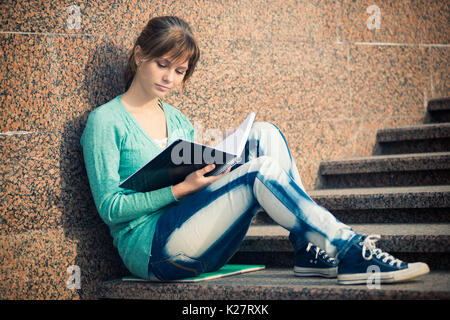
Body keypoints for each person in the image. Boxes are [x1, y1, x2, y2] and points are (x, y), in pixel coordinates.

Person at [80, 16, 429, 284]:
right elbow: (110, 208)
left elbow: (192, 191)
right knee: (258, 171)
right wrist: (178, 189)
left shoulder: (177, 119)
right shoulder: (106, 121)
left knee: (262, 134)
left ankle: (308, 247)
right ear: (140, 54)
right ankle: (348, 248)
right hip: (155, 252)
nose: (169, 77)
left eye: (179, 70)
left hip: (201, 237)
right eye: (162, 64)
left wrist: (214, 171)